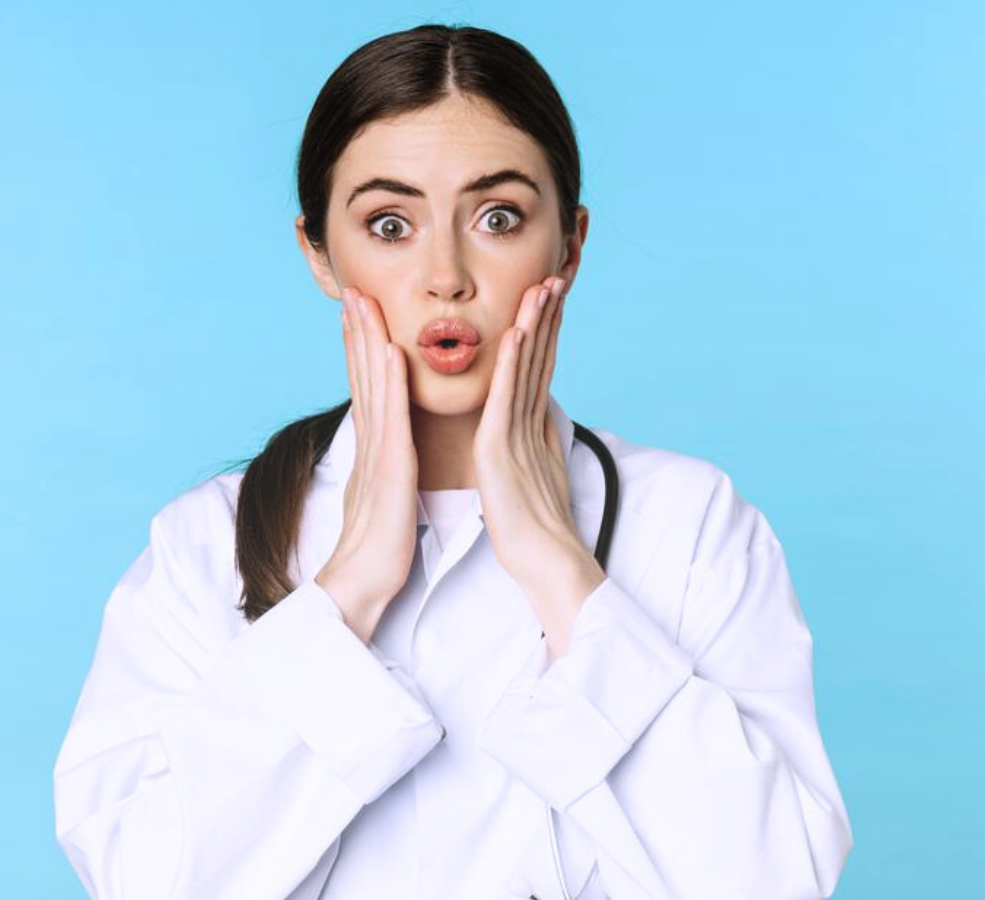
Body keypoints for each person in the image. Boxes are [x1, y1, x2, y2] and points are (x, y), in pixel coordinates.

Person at [52, 23, 853, 900]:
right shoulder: (206, 539)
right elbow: (143, 882)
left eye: (499, 217)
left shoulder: (691, 523)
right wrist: (350, 584)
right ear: (318, 252)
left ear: (571, 245)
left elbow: (776, 881)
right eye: (389, 224)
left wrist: (560, 572)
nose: (446, 276)